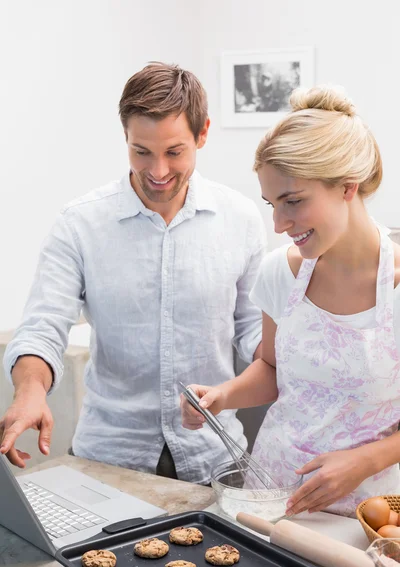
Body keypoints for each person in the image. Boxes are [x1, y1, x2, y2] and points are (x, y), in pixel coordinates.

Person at [1, 62, 266, 484]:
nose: (158, 172)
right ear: (125, 136)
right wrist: (30, 392)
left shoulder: (241, 218)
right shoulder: (79, 223)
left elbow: (254, 332)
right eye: (141, 151)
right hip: (107, 462)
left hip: (216, 461)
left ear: (203, 134)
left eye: (174, 152)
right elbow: (42, 327)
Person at [182, 84, 400, 516]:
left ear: (347, 187)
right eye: (271, 204)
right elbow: (273, 369)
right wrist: (222, 397)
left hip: (369, 513)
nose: (279, 224)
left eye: (293, 202)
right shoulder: (280, 271)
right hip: (269, 495)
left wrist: (363, 461)